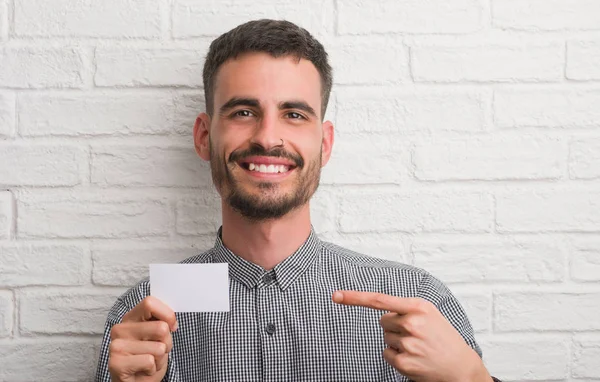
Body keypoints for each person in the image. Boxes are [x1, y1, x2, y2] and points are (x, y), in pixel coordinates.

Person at [95, 19, 500, 382]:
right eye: (242, 112)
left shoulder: (414, 301)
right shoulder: (145, 315)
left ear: (324, 144)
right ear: (204, 136)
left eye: (293, 114)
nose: (268, 137)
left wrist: (470, 377)